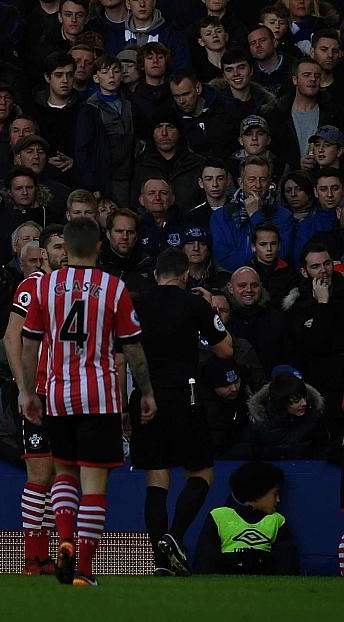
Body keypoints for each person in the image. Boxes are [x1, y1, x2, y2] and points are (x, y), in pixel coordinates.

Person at [19, 217, 157, 587]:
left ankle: (63, 536)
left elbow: (29, 343)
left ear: (64, 245)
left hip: (58, 395)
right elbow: (133, 346)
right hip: (100, 395)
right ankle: (83, 570)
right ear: (100, 246)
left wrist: (29, 391)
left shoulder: (45, 286)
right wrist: (145, 391)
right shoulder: (114, 287)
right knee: (95, 485)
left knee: (64, 471)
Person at [131, 248, 233, 576]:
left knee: (156, 478)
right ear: (185, 275)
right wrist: (207, 309)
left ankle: (162, 563)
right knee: (201, 471)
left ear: (155, 273)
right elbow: (225, 349)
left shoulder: (136, 305)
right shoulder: (194, 304)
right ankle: (174, 536)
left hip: (145, 397)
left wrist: (122, 405)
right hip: (185, 397)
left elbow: (119, 356)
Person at [2, 225, 67, 575]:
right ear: (44, 254)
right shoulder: (32, 287)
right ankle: (33, 557)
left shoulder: (82, 290)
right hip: (39, 393)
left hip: (71, 394)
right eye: (57, 246)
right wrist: (23, 385)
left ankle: (57, 554)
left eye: (67, 246)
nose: (64, 252)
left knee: (64, 476)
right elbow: (13, 337)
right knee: (40, 474)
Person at [192, 461, 301, 575]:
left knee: (286, 548)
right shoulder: (219, 516)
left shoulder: (277, 520)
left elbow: (286, 562)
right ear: (258, 493)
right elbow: (204, 560)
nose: (278, 500)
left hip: (263, 572)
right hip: (227, 571)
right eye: (275, 494)